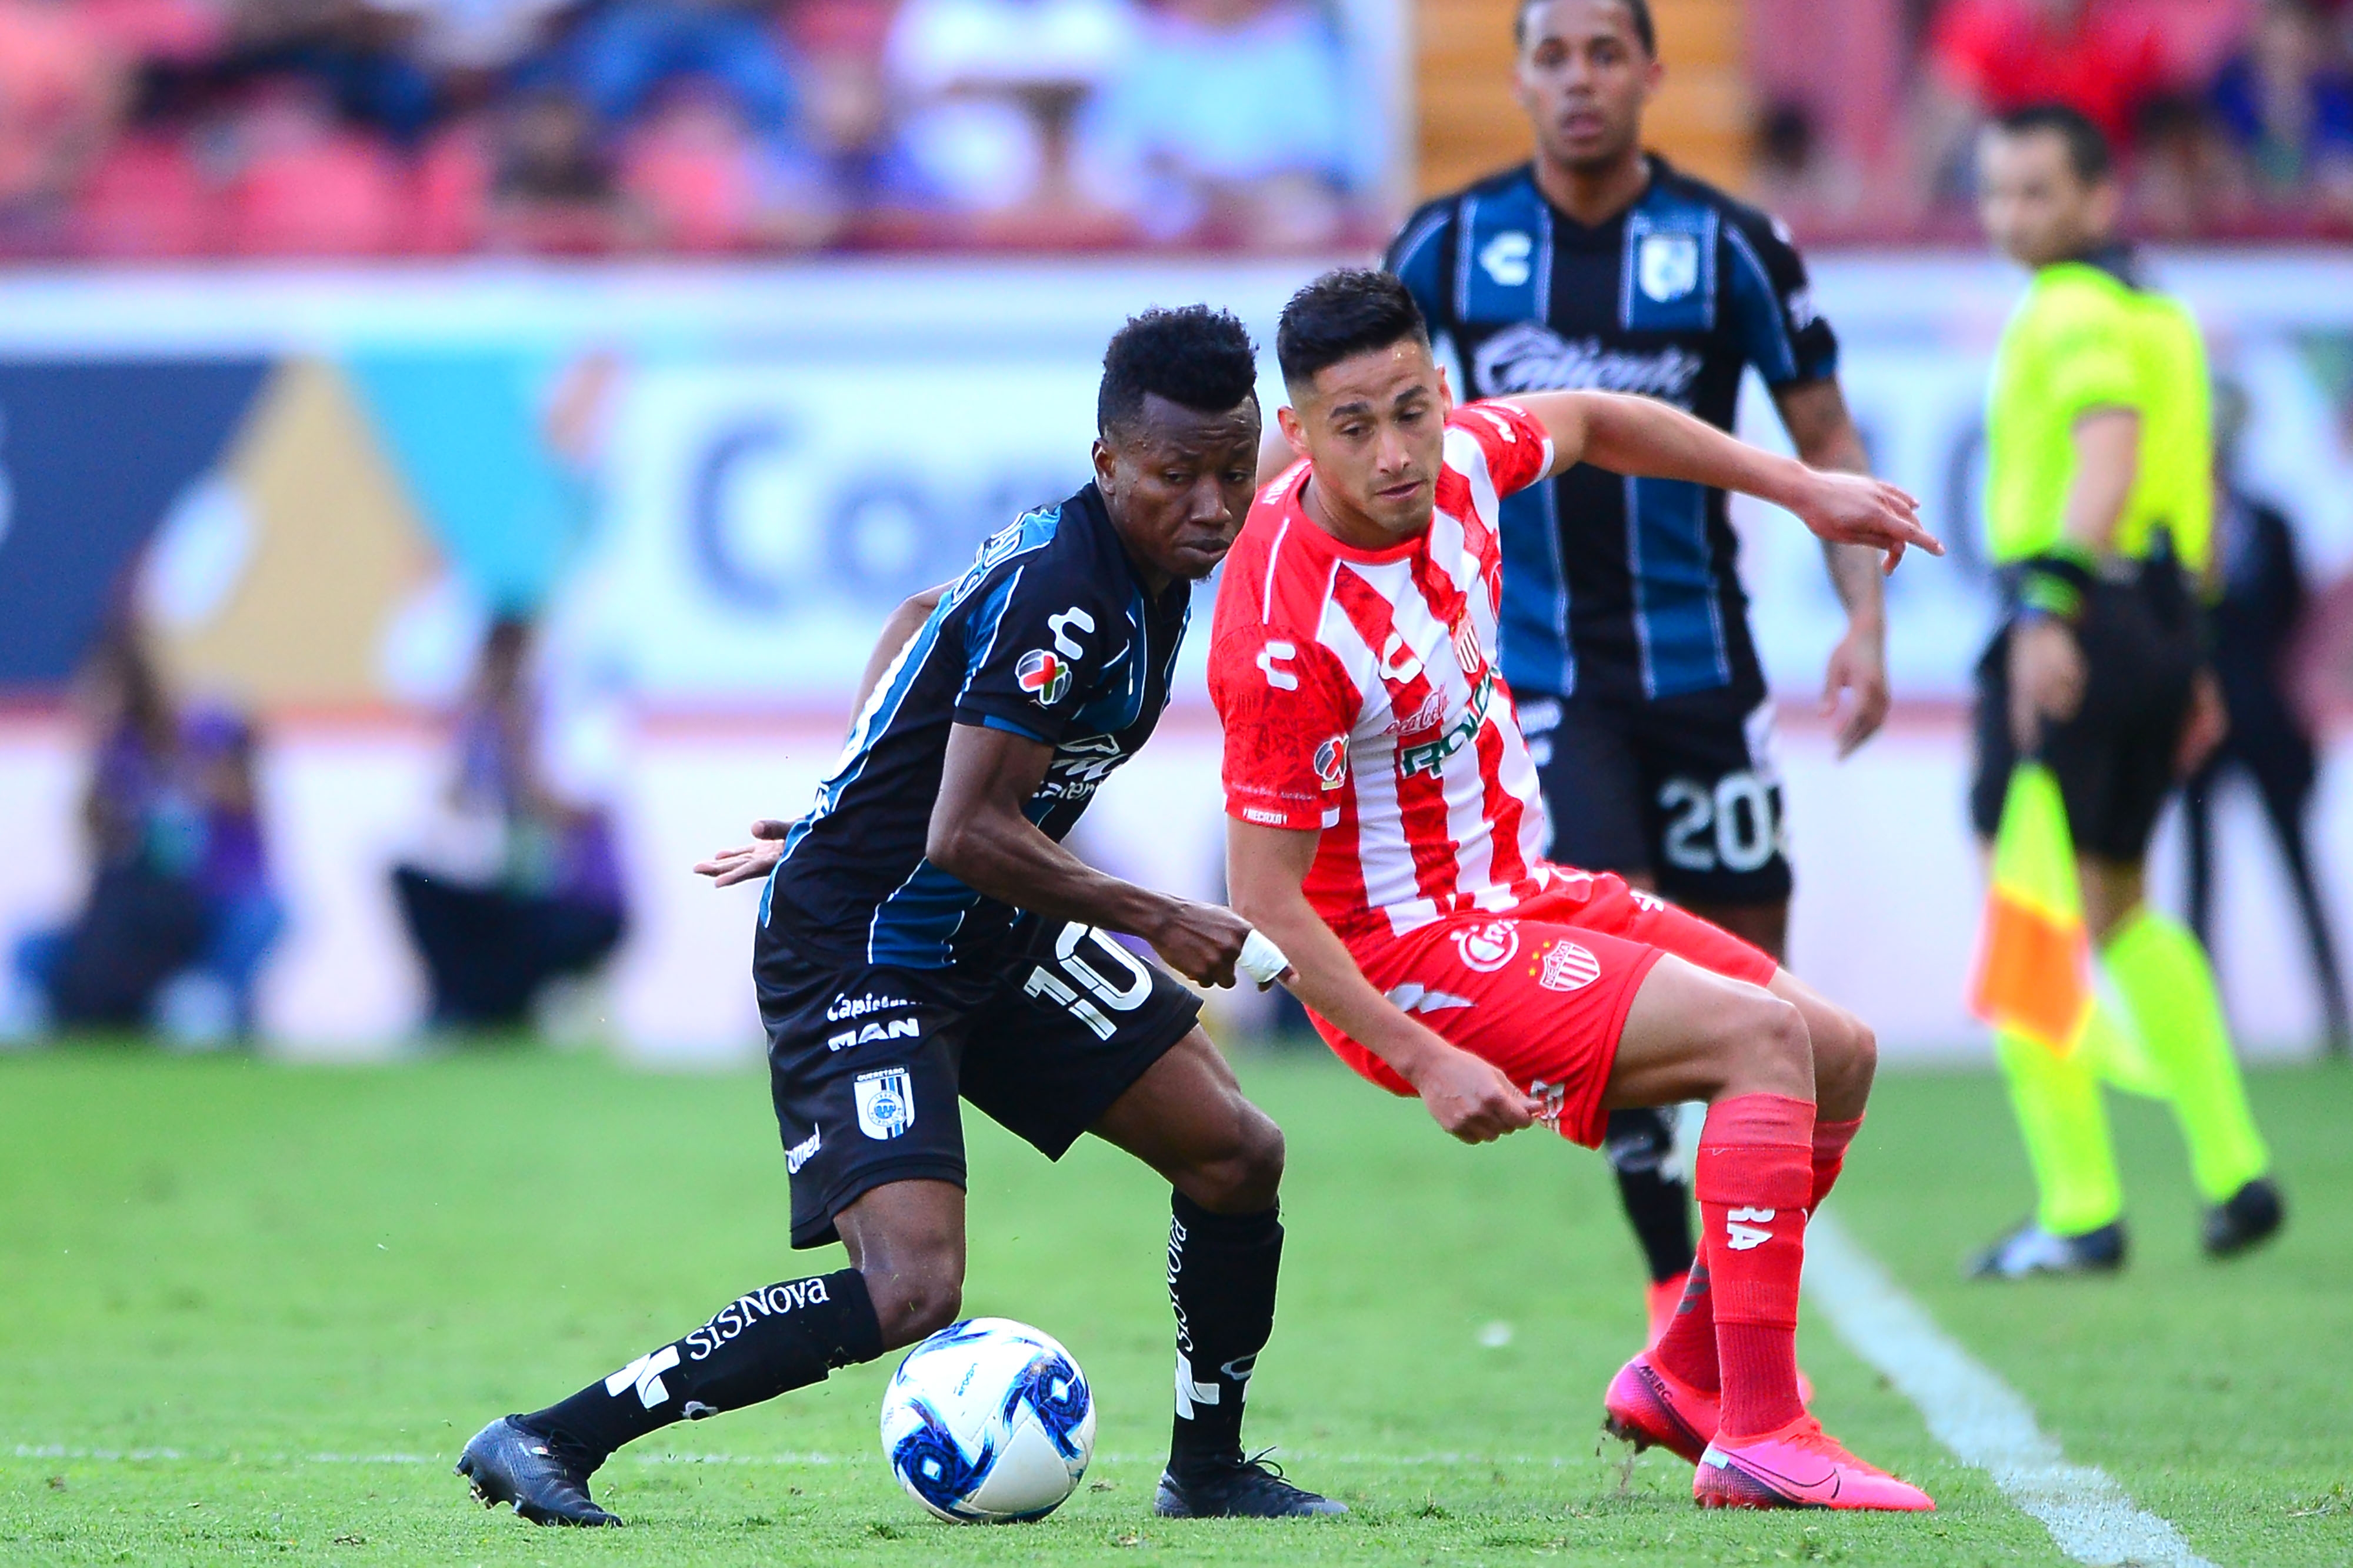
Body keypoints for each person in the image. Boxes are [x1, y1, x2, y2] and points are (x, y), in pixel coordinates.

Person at [454, 306, 1342, 1526]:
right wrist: (1155, 915)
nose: (1209, 505)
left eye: (1231, 475)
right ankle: (551, 1435)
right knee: (911, 1287)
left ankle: (1209, 1467)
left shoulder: (1136, 558)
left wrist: (846, 789)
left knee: (1236, 1152)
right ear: (1107, 464)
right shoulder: (1068, 593)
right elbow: (966, 830)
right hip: (863, 948)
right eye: (1175, 476)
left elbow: (923, 612)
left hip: (983, 926)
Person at [1217, 268, 1941, 1511]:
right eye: (1353, 426)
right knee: (1762, 1041)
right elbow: (1265, 906)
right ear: (1297, 433)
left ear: (1443, 391)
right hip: (1402, 956)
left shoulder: (1461, 464)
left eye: (1411, 409)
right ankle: (1762, 1434)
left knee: (1839, 1048)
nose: (1394, 452)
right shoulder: (1286, 631)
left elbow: (1601, 419)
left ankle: (1682, 1371)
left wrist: (1805, 490)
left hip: (1515, 885)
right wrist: (1421, 1057)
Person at [1383, 0, 1891, 1347]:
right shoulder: (1448, 244)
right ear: (1518, 78)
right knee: (1607, 984)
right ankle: (1675, 1287)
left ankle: (1708, 1318)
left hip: (1703, 673)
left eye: (1605, 53)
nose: (1580, 80)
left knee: (1756, 1006)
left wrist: (1865, 619)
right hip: (1539, 687)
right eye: (1553, 56)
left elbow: (1823, 432)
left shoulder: (1730, 245)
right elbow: (1341, 420)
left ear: (1652, 73)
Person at [1965, 104, 2284, 1279]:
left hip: (2076, 615)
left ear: (2098, 197)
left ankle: (2077, 1205)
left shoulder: (2069, 312)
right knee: (2118, 908)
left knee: (2029, 924)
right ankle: (2229, 1164)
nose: (2009, 216)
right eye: (1995, 192)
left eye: (2035, 192)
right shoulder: (2161, 315)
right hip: (2153, 620)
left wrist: (2045, 609)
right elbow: (2182, 490)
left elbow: (2105, 456)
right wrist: (2189, 653)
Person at [2183, 386, 2348, 1056]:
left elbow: (2295, 623)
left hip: (2268, 725)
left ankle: (2333, 1009)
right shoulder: (2173, 532)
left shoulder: (2271, 525)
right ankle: (2197, 1024)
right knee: (2199, 876)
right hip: (2198, 728)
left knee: (2297, 864)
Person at [392, 615, 628, 1030]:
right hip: (509, 885)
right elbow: (454, 801)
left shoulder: (573, 718)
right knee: (417, 887)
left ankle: (492, 1010)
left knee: (513, 942)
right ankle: (460, 1007)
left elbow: (572, 811)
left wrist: (518, 745)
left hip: (577, 899)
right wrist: (479, 726)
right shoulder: (484, 726)